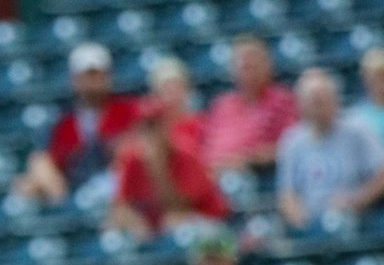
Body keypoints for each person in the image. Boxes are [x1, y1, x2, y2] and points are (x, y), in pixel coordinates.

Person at [12, 43, 140, 205]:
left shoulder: (128, 110)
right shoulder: (66, 122)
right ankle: (68, 211)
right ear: (75, 79)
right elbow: (56, 161)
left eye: (97, 75)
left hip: (118, 183)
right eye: (87, 75)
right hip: (78, 186)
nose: (93, 82)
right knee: (33, 172)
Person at [277, 68, 384, 230]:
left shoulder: (358, 130)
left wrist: (358, 199)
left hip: (357, 222)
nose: (317, 109)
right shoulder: (292, 141)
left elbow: (381, 175)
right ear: (302, 105)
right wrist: (298, 216)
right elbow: (287, 193)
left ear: (335, 100)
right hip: (311, 226)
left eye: (321, 101)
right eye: (312, 102)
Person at [109, 98, 229, 239]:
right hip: (164, 226)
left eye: (155, 125)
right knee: (115, 236)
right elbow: (120, 207)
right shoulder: (133, 159)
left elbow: (179, 208)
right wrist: (133, 221)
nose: (150, 133)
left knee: (174, 223)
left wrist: (157, 167)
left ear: (167, 126)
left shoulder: (186, 154)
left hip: (209, 223)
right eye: (146, 126)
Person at [202, 35, 298, 173]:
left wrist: (249, 159)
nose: (248, 71)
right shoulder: (222, 105)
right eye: (243, 65)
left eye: (253, 64)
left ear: (268, 65)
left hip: (255, 180)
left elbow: (292, 147)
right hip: (215, 179)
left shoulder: (282, 100)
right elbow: (208, 152)